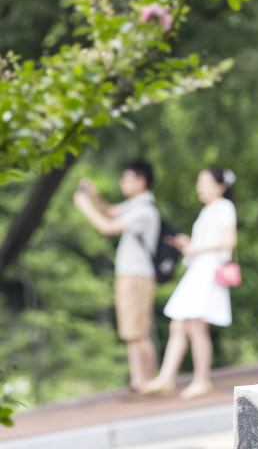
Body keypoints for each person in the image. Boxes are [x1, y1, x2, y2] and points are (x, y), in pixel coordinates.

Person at [141, 167, 237, 400]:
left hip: (209, 270)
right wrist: (190, 248)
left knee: (195, 325)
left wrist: (195, 248)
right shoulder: (208, 210)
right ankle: (166, 377)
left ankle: (201, 379)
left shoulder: (224, 207)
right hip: (198, 269)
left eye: (205, 182)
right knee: (179, 323)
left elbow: (229, 240)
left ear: (220, 187)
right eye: (199, 182)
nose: (200, 187)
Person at [73, 160, 160, 390]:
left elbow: (107, 227)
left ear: (141, 181)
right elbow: (110, 211)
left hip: (138, 275)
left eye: (127, 178)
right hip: (130, 274)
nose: (122, 183)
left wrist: (84, 206)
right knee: (132, 332)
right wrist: (94, 196)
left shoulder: (144, 210)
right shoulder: (133, 205)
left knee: (138, 332)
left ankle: (148, 382)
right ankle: (139, 381)